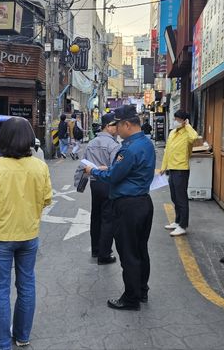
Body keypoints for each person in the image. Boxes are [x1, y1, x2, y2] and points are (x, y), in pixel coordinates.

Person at [0, 117, 52, 350]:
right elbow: (47, 198)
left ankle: (0, 343)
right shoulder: (40, 166)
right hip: (29, 234)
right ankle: (22, 336)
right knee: (27, 284)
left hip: (1, 235)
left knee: (0, 288)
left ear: (3, 139)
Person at [85, 105, 155, 311]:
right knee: (141, 250)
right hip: (143, 202)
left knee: (128, 253)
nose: (116, 129)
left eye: (117, 125)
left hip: (128, 206)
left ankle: (131, 298)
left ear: (127, 124)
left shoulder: (129, 147)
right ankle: (142, 290)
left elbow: (114, 176)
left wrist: (95, 171)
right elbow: (127, 170)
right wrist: (112, 168)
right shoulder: (146, 143)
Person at [74, 112, 120, 264]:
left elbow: (83, 164)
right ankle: (104, 255)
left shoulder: (92, 143)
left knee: (96, 216)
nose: (118, 128)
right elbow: (115, 168)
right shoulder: (113, 145)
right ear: (108, 126)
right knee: (108, 219)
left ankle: (95, 249)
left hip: (95, 184)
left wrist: (80, 184)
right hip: (107, 183)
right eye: (115, 125)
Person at [161, 110, 199, 237]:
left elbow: (195, 137)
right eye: (175, 118)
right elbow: (167, 150)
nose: (175, 121)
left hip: (181, 169)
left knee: (181, 198)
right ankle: (177, 221)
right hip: (172, 168)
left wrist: (188, 126)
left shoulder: (188, 134)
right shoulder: (172, 132)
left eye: (178, 119)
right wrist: (163, 166)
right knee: (174, 197)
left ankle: (183, 225)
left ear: (184, 121)